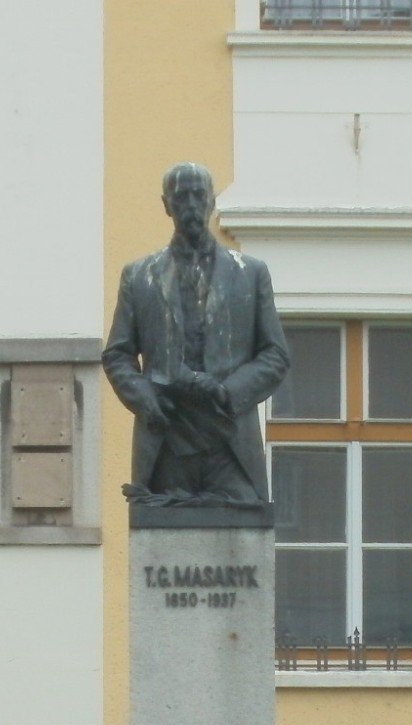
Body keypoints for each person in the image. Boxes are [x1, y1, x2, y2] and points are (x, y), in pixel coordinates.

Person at [102, 162, 291, 510]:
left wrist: (227, 392)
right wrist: (144, 397)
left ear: (211, 201)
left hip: (229, 440)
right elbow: (117, 353)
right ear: (166, 205)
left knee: (243, 525)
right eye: (181, 196)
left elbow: (276, 354)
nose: (190, 204)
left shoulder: (250, 274)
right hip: (167, 440)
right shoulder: (139, 276)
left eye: (198, 195)